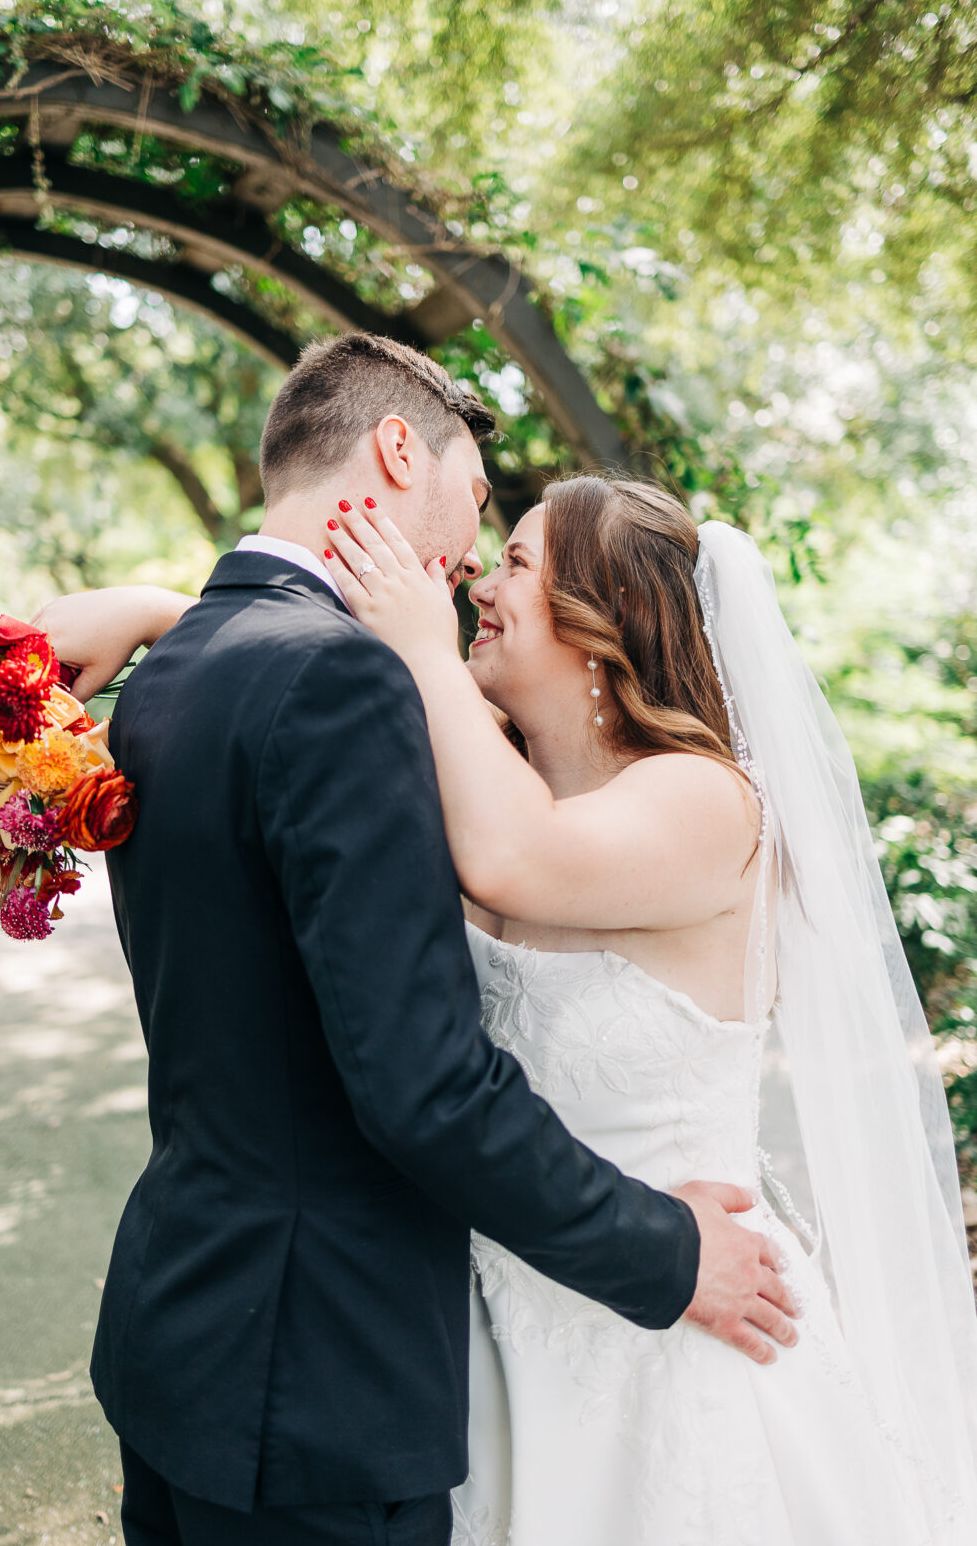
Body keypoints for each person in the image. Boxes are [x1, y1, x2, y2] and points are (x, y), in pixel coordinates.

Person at [36, 335, 796, 1546]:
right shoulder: (353, 692)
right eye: (482, 516)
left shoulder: (188, 668)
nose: (468, 577)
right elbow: (423, 1083)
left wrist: (158, 609)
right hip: (327, 1366)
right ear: (399, 448)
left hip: (209, 1331)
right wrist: (661, 1253)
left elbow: (320, 701)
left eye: (509, 559)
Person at [311, 475, 977, 1545]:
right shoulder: (500, 771)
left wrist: (421, 650)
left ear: (598, 621)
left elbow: (511, 859)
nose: (480, 579)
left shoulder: (708, 801)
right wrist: (159, 616)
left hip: (676, 1336)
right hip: (494, 1329)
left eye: (517, 561)